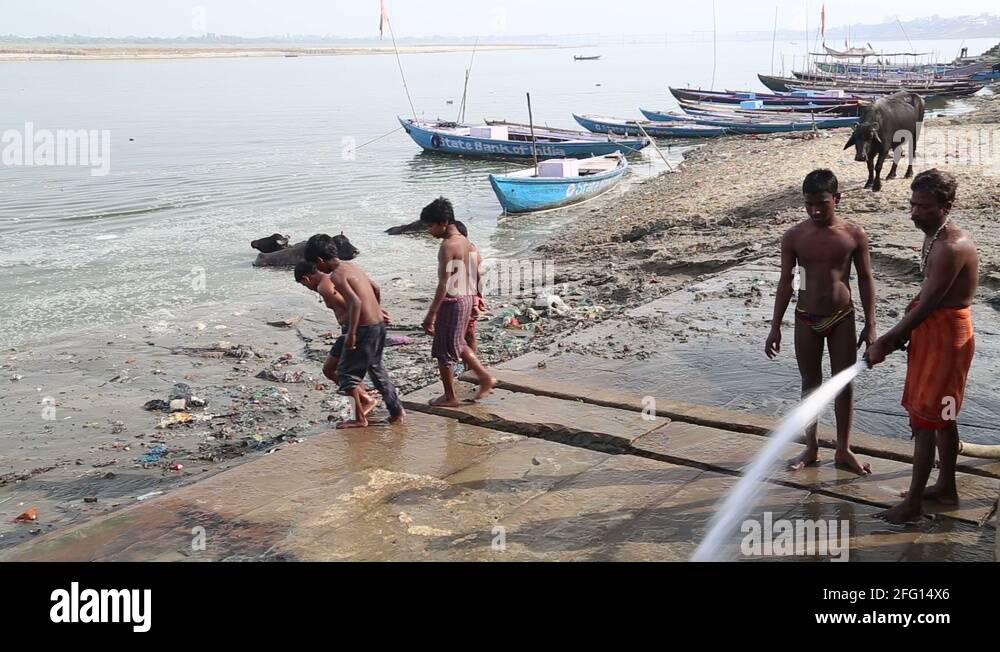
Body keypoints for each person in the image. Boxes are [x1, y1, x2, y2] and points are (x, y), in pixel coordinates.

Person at [866, 169, 978, 524]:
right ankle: (946, 488)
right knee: (939, 415)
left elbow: (930, 303)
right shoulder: (934, 236)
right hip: (931, 332)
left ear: (947, 206)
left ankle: (913, 504)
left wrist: (887, 340)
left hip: (948, 339)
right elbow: (927, 294)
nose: (915, 213)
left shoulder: (951, 246)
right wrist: (906, 328)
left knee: (931, 419)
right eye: (912, 205)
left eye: (924, 207)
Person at [765, 169, 877, 475]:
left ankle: (843, 449)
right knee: (810, 384)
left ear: (836, 199)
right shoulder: (795, 237)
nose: (815, 210)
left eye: (822, 203)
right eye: (809, 204)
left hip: (842, 317)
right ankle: (811, 447)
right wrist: (775, 326)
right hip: (805, 317)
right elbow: (787, 281)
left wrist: (871, 323)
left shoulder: (853, 235)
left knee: (844, 383)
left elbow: (865, 279)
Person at [304, 238, 405, 428]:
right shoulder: (352, 267)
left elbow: (355, 303)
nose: (318, 270)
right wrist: (376, 308)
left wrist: (351, 334)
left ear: (320, 260)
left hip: (363, 329)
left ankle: (358, 418)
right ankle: (396, 410)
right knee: (377, 370)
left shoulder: (336, 276)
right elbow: (375, 287)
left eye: (316, 265)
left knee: (345, 374)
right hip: (377, 324)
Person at [419, 197, 496, 406]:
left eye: (430, 226)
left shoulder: (448, 245)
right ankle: (484, 377)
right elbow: (474, 272)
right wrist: (477, 297)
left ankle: (449, 397)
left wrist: (431, 314)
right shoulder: (466, 242)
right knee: (458, 343)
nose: (429, 231)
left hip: (452, 302)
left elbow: (444, 283)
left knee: (444, 351)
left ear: (443, 222)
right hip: (466, 298)